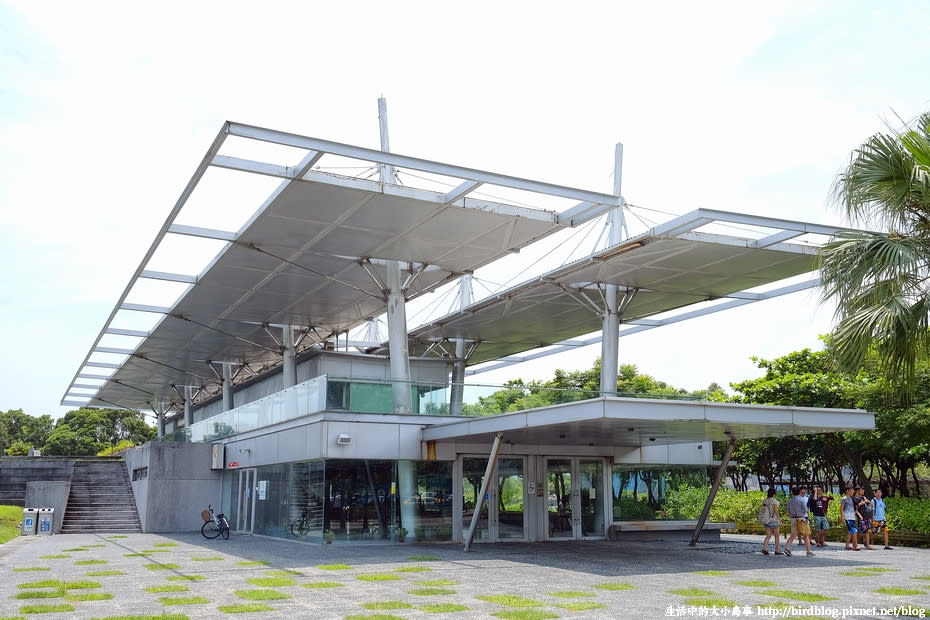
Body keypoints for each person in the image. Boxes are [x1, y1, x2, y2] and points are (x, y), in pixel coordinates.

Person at [784, 486, 814, 556]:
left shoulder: (789, 501)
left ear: (792, 492)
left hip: (793, 519)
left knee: (793, 535)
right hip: (801, 519)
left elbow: (788, 512)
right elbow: (806, 510)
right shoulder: (801, 500)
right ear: (799, 492)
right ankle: (808, 551)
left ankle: (787, 548)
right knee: (806, 535)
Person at [760, 487, 783, 555]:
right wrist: (780, 520)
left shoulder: (765, 501)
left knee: (768, 535)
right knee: (777, 536)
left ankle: (764, 548)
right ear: (774, 494)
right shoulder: (774, 501)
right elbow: (776, 511)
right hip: (774, 520)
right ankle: (777, 550)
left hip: (766, 520)